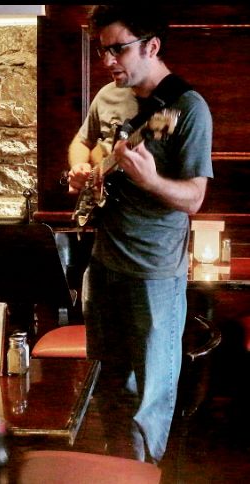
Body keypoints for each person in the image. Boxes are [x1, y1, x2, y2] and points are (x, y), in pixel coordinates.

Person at [67, 5, 213, 464]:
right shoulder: (109, 96)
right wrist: (81, 166)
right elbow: (82, 141)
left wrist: (149, 180)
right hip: (102, 260)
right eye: (102, 49)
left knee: (149, 395)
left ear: (152, 46)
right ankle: (114, 468)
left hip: (153, 271)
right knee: (108, 382)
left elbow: (194, 199)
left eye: (118, 49)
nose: (108, 61)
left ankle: (144, 473)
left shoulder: (187, 109)